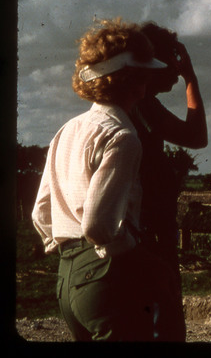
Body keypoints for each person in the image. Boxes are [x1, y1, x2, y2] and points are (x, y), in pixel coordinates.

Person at [31, 18, 169, 341]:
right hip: (106, 278)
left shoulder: (66, 131)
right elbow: (97, 227)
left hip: (67, 281)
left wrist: (70, 253)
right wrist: (137, 256)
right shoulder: (122, 137)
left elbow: (40, 212)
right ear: (135, 81)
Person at [133, 22, 208, 341]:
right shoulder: (143, 104)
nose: (176, 72)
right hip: (148, 231)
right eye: (173, 62)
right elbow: (196, 136)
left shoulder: (141, 104)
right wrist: (191, 77)